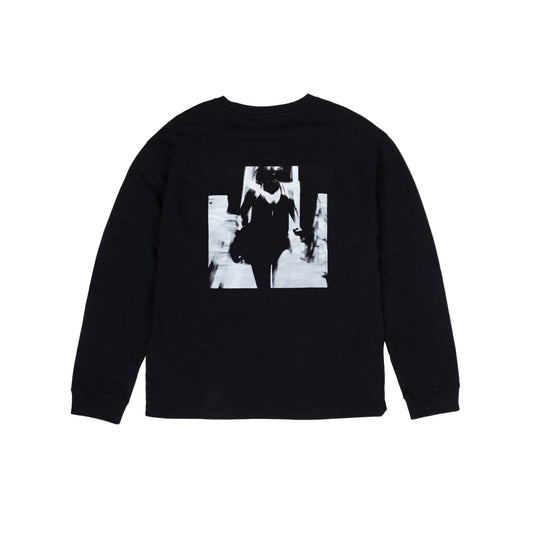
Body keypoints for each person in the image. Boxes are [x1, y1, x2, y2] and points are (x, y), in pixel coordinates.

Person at [236, 166, 297, 288]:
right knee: (265, 285)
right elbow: (241, 219)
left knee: (271, 285)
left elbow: (242, 219)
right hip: (262, 248)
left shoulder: (286, 195)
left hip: (276, 247)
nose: (272, 179)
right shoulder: (254, 194)